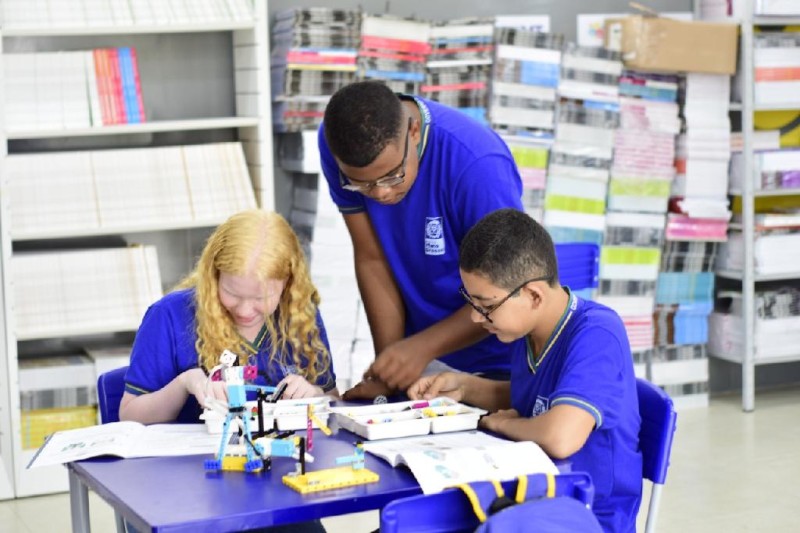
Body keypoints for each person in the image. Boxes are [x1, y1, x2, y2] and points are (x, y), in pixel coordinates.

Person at [408, 208, 642, 533]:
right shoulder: (526, 330)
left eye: (486, 306)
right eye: (471, 302)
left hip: (584, 516)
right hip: (528, 501)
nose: (476, 318)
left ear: (533, 295)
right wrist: (463, 387)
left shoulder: (597, 333)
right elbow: (533, 396)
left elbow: (560, 436)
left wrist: (505, 425)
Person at [319, 80, 526, 399]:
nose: (381, 194)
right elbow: (372, 257)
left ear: (413, 132)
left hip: (495, 362)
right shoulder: (340, 146)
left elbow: (507, 291)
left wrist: (419, 349)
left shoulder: (478, 167)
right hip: (422, 363)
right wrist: (391, 365)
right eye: (362, 185)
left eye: (393, 176)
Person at [120, 209, 338, 425]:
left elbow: (334, 402)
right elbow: (130, 414)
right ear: (213, 275)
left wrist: (315, 395)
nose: (244, 310)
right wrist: (185, 383)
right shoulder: (169, 316)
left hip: (280, 455)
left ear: (288, 283)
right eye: (232, 293)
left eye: (261, 298)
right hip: (196, 457)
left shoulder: (301, 314)